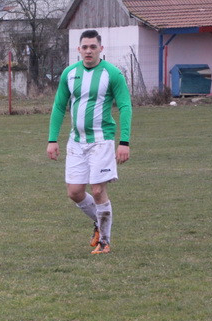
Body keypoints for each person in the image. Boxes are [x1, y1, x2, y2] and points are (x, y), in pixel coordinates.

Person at [47, 29, 132, 255]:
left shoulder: (112, 74)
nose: (88, 51)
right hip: (76, 141)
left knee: (97, 190)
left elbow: (125, 106)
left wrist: (124, 142)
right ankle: (99, 222)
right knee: (75, 192)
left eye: (93, 47)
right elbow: (59, 106)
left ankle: (104, 242)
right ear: (78, 49)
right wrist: (52, 139)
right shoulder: (70, 73)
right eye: (84, 47)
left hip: (102, 140)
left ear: (100, 49)